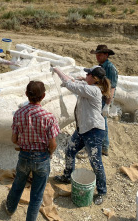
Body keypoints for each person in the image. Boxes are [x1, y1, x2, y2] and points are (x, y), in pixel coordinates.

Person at [52, 66, 111, 205]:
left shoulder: (93, 90)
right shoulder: (89, 85)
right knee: (69, 151)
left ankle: (102, 191)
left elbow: (70, 84)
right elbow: (75, 82)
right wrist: (79, 79)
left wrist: (58, 70)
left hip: (94, 130)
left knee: (95, 162)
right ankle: (67, 176)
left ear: (94, 78)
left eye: (88, 74)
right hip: (82, 128)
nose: (86, 75)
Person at [3, 81, 60, 221]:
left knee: (18, 183)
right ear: (43, 95)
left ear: (26, 94)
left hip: (24, 155)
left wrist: (23, 142)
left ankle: (10, 208)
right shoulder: (49, 117)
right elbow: (53, 144)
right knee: (37, 194)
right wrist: (49, 153)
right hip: (42, 158)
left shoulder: (18, 114)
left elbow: (14, 139)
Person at [89, 45, 118, 156]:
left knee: (102, 123)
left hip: (104, 99)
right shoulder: (100, 66)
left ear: (106, 55)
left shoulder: (110, 68)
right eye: (97, 55)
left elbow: (112, 87)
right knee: (98, 122)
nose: (97, 57)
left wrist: (107, 105)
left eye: (100, 55)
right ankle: (100, 145)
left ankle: (104, 147)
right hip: (98, 97)